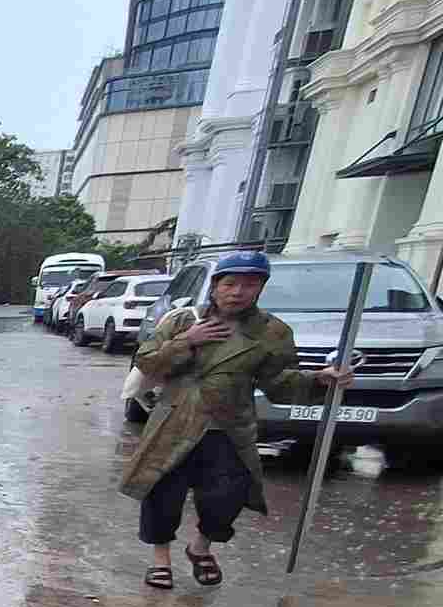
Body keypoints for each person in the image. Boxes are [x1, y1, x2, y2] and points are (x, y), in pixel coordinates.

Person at [118, 251, 353, 589]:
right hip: (174, 420)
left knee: (227, 496)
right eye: (230, 284)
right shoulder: (183, 320)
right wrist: (188, 341)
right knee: (162, 493)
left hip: (228, 426)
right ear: (215, 287)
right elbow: (147, 362)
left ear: (260, 289)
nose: (238, 292)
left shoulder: (272, 332)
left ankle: (200, 549)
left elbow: (279, 384)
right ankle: (160, 559)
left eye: (249, 284)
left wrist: (318, 380)